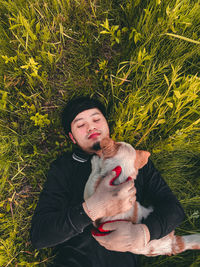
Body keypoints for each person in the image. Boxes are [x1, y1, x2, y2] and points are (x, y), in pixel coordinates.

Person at [30, 96, 185, 267]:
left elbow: (174, 210)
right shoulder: (64, 168)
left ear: (106, 125)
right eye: (80, 125)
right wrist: (91, 210)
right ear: (72, 138)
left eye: (96, 119)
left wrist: (144, 233)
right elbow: (39, 236)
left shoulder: (132, 159)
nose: (91, 126)